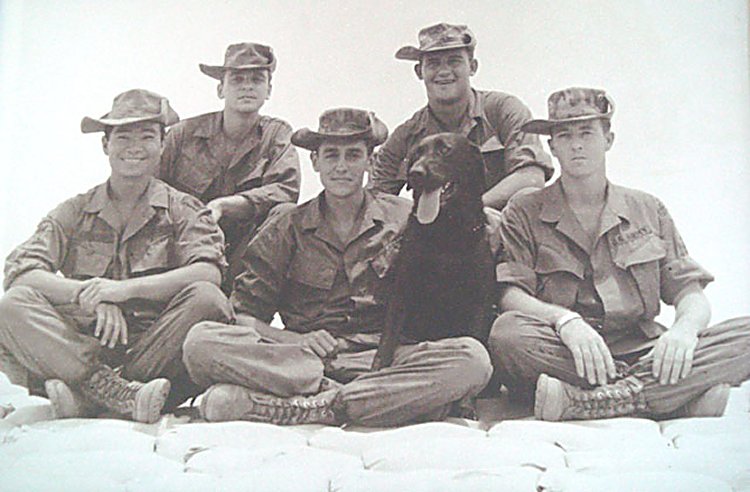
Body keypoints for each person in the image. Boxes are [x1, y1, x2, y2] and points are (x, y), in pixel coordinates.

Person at [182, 108, 492, 426]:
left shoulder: (406, 217)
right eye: (331, 155)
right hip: (300, 360)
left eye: (353, 155)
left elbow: (465, 247)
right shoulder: (286, 225)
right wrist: (295, 340)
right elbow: (244, 316)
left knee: (472, 360)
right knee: (200, 342)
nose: (341, 167)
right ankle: (370, 401)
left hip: (380, 360)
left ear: (370, 162)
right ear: (315, 161)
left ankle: (309, 405)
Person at [488, 87, 750, 421]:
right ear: (552, 147)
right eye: (565, 135)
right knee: (507, 335)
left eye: (587, 133)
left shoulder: (647, 208)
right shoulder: (523, 210)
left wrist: (684, 331)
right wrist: (566, 321)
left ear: (608, 140)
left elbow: (689, 292)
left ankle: (594, 400)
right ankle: (665, 397)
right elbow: (511, 295)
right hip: (566, 352)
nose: (577, 144)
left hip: (641, 349)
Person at [0, 89, 232, 423]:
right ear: (105, 144)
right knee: (13, 304)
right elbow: (22, 272)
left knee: (208, 299)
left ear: (162, 144)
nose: (134, 147)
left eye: (147, 136)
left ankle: (88, 396)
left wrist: (123, 290)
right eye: (123, 136)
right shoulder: (75, 210)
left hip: (154, 349)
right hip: (84, 345)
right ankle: (110, 391)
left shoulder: (183, 208)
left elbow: (208, 272)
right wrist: (91, 294)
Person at [159, 42, 301, 291]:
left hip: (245, 254)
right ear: (220, 89)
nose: (247, 86)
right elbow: (152, 189)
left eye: (256, 79)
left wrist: (224, 205)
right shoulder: (182, 135)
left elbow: (285, 190)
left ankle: (246, 303)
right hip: (183, 245)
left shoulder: (276, 134)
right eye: (237, 79)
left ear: (268, 90)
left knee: (286, 213)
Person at [369, 23, 553, 210]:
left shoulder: (502, 110)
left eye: (454, 61)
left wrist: (472, 210)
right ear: (419, 71)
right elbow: (375, 197)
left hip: (502, 223)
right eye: (433, 63)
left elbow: (531, 177)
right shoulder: (406, 134)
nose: (444, 71)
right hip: (434, 226)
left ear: (472, 67)